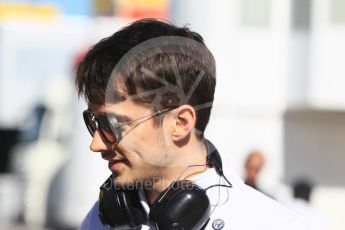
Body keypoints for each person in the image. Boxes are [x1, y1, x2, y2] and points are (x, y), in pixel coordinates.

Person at [75, 18, 311, 229]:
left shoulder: (277, 225)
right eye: (94, 122)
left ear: (180, 123)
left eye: (112, 124)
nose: (96, 144)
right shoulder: (99, 220)